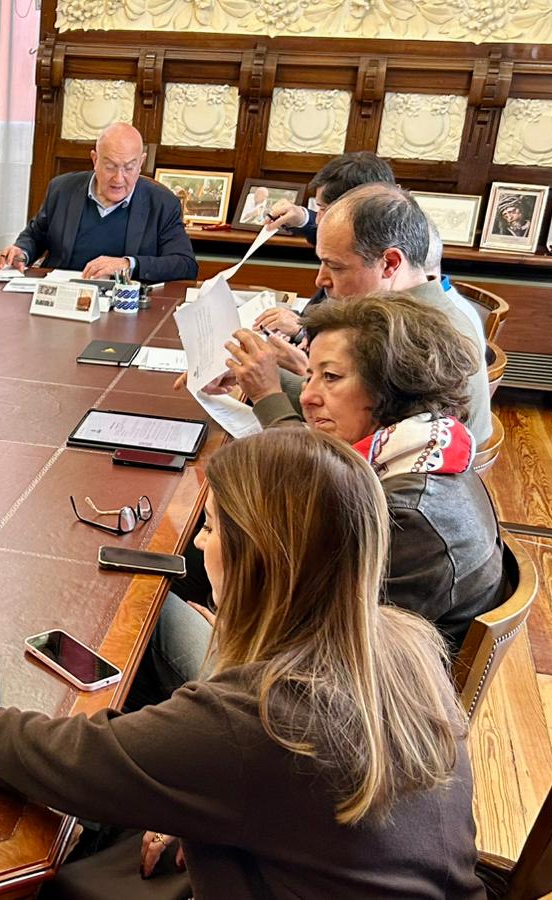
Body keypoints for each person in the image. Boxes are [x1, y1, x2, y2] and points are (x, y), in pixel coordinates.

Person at [0, 428, 484, 899]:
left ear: (257, 559)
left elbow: (57, 758)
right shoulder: (404, 644)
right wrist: (209, 808)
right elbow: (303, 806)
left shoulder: (256, 720)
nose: (199, 543)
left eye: (211, 529)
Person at [146, 293, 505, 699]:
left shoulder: (405, 517)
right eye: (309, 375)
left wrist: (234, 635)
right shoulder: (430, 447)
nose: (307, 396)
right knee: (184, 557)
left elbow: (335, 660)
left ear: (392, 386)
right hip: (333, 663)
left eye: (330, 377)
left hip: (330, 700)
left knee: (148, 612)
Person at [232, 184, 493, 445]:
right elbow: (349, 408)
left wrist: (267, 395)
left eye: (336, 267)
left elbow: (334, 463)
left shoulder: (418, 339)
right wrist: (260, 374)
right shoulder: (410, 311)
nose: (320, 280)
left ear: (390, 263)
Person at [0, 123, 197, 284]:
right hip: (63, 295)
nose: (119, 178)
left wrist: (128, 265)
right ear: (95, 159)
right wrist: (21, 252)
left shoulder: (162, 203)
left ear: (141, 163)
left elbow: (185, 265)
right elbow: (35, 236)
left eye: (129, 167)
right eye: (110, 167)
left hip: (123, 305)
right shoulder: (62, 189)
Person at [253, 151, 396, 336]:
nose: (320, 280)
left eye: (322, 209)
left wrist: (302, 331)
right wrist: (302, 218)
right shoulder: (374, 233)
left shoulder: (378, 267)